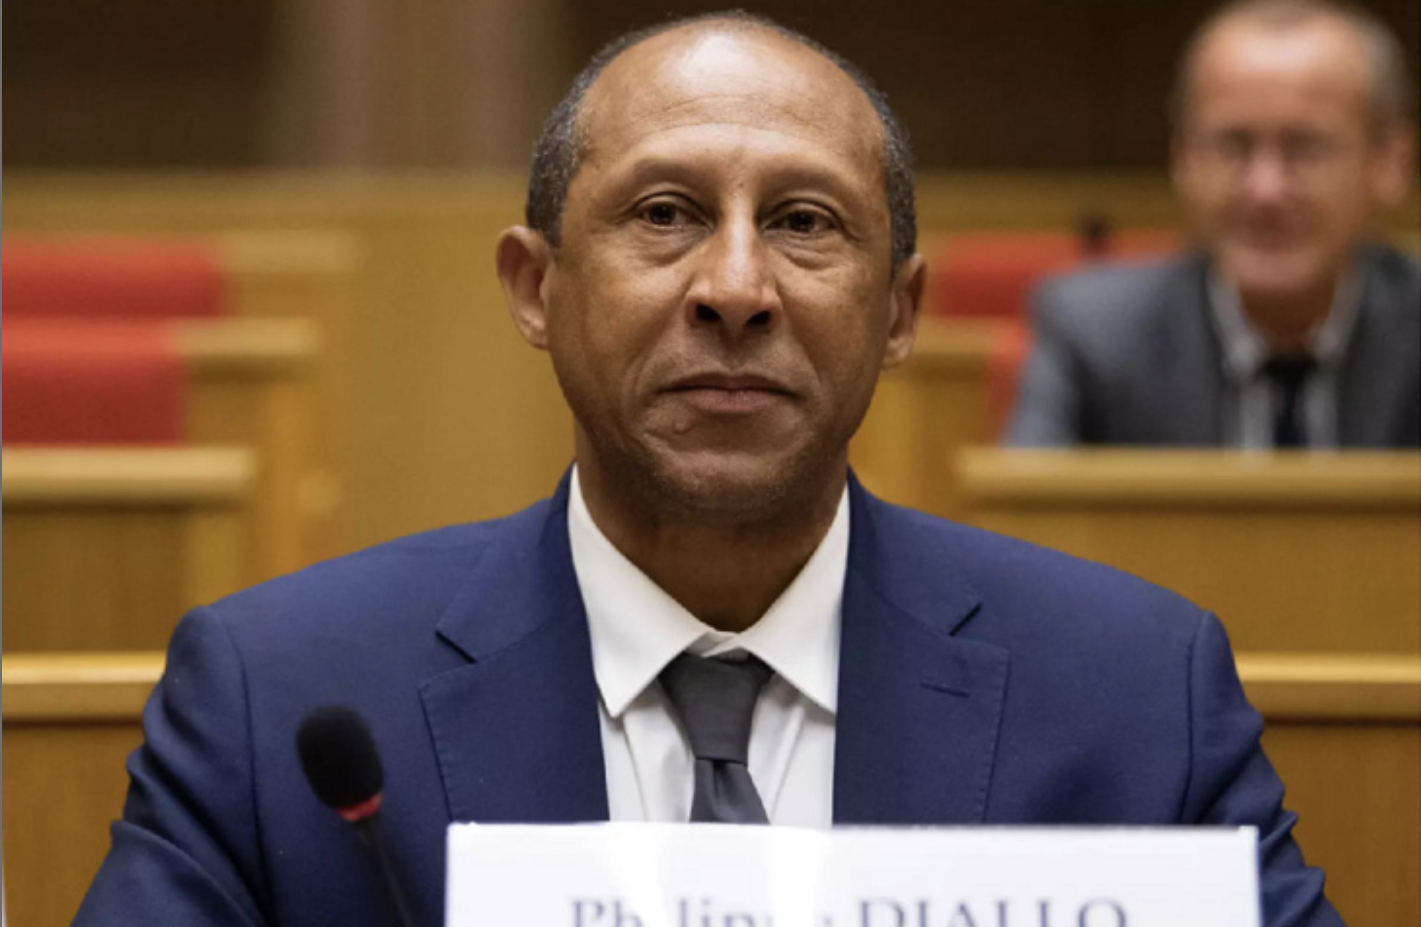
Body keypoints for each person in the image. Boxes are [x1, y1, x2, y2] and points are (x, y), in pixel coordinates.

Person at [76, 12, 1342, 927]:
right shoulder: (278, 699)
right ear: (535, 286)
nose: (734, 289)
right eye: (664, 214)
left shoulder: (1135, 699)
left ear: (898, 312)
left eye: (802, 223)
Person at [1007, 0, 1418, 448]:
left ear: (1390, 163)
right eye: (1232, 145)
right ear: (1182, 158)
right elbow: (1028, 513)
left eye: (1306, 147)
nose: (1265, 190)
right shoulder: (1094, 336)